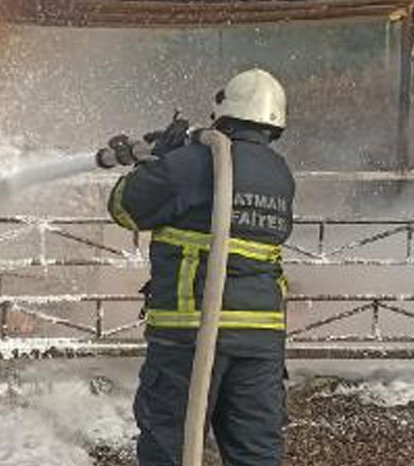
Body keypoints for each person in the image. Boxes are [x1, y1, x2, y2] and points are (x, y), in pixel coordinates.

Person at [106, 68, 295, 466]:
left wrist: (158, 162)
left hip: (189, 334)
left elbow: (125, 208)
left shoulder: (191, 163)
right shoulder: (280, 174)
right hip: (260, 339)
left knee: (169, 446)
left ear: (222, 113)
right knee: (256, 452)